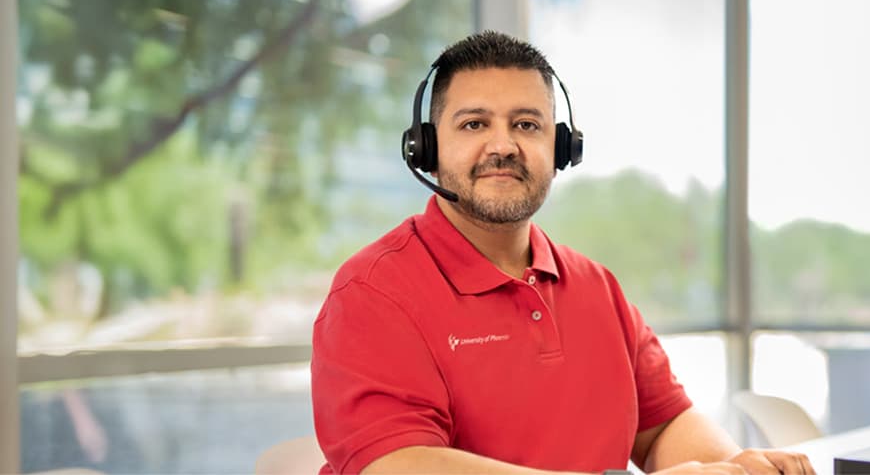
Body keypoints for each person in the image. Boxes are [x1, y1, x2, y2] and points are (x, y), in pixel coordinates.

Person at [311, 31, 814, 475]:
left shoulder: (597, 287)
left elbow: (662, 427)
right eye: (473, 124)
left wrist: (731, 468)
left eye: (527, 124)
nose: (503, 145)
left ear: (561, 148)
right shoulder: (372, 292)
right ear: (426, 148)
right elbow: (398, 464)